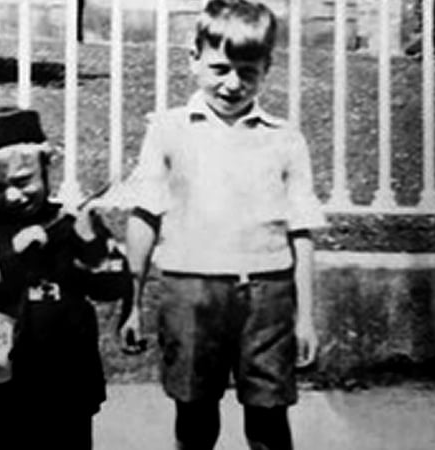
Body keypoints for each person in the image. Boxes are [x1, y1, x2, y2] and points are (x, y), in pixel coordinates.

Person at [121, 1, 327, 449]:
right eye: (220, 68)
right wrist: (132, 301)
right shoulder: (168, 130)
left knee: (269, 417)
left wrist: (305, 318)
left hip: (267, 295)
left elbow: (302, 233)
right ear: (193, 59)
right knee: (194, 414)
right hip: (189, 293)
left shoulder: (285, 138)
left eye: (248, 72)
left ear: (266, 68)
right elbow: (144, 218)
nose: (233, 83)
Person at [0, 106, 134, 450]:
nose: (12, 195)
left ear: (46, 168)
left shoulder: (74, 225)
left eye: (23, 181)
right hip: (4, 378)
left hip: (69, 378)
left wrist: (91, 244)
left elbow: (113, 285)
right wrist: (10, 252)